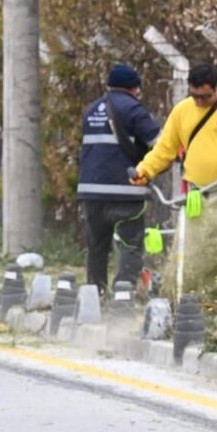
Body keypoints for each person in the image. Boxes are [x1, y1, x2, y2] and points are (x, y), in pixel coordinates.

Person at [129, 62, 217, 290]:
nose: (200, 102)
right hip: (196, 194)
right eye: (195, 96)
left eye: (205, 96)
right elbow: (164, 150)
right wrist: (145, 170)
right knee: (193, 252)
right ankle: (185, 296)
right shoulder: (182, 111)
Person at [77, 63, 160, 293]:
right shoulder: (134, 110)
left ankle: (96, 295)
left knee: (97, 246)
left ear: (109, 85)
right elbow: (159, 145)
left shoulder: (91, 110)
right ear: (135, 88)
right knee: (129, 244)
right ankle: (123, 296)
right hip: (126, 192)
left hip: (91, 192)